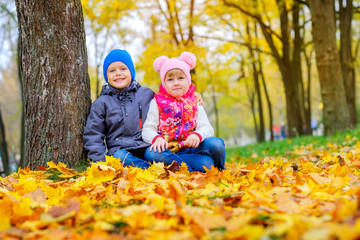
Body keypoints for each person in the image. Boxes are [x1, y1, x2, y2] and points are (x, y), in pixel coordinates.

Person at [142, 52, 225, 172]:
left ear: (188, 80)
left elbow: (207, 128)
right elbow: (147, 129)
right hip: (168, 152)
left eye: (181, 78)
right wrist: (157, 138)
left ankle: (220, 171)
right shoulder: (157, 102)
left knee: (216, 143)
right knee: (151, 154)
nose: (176, 82)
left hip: (191, 147)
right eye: (170, 79)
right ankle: (190, 168)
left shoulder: (194, 100)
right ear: (164, 83)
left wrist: (197, 135)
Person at [83, 49, 154, 168]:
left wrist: (194, 95)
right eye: (112, 70)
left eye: (123, 69)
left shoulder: (147, 94)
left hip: (146, 146)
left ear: (131, 71)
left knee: (156, 154)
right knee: (119, 158)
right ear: (106, 75)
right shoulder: (102, 103)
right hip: (119, 150)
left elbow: (168, 102)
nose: (118, 73)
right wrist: (100, 162)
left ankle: (180, 168)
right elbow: (93, 134)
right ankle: (150, 170)